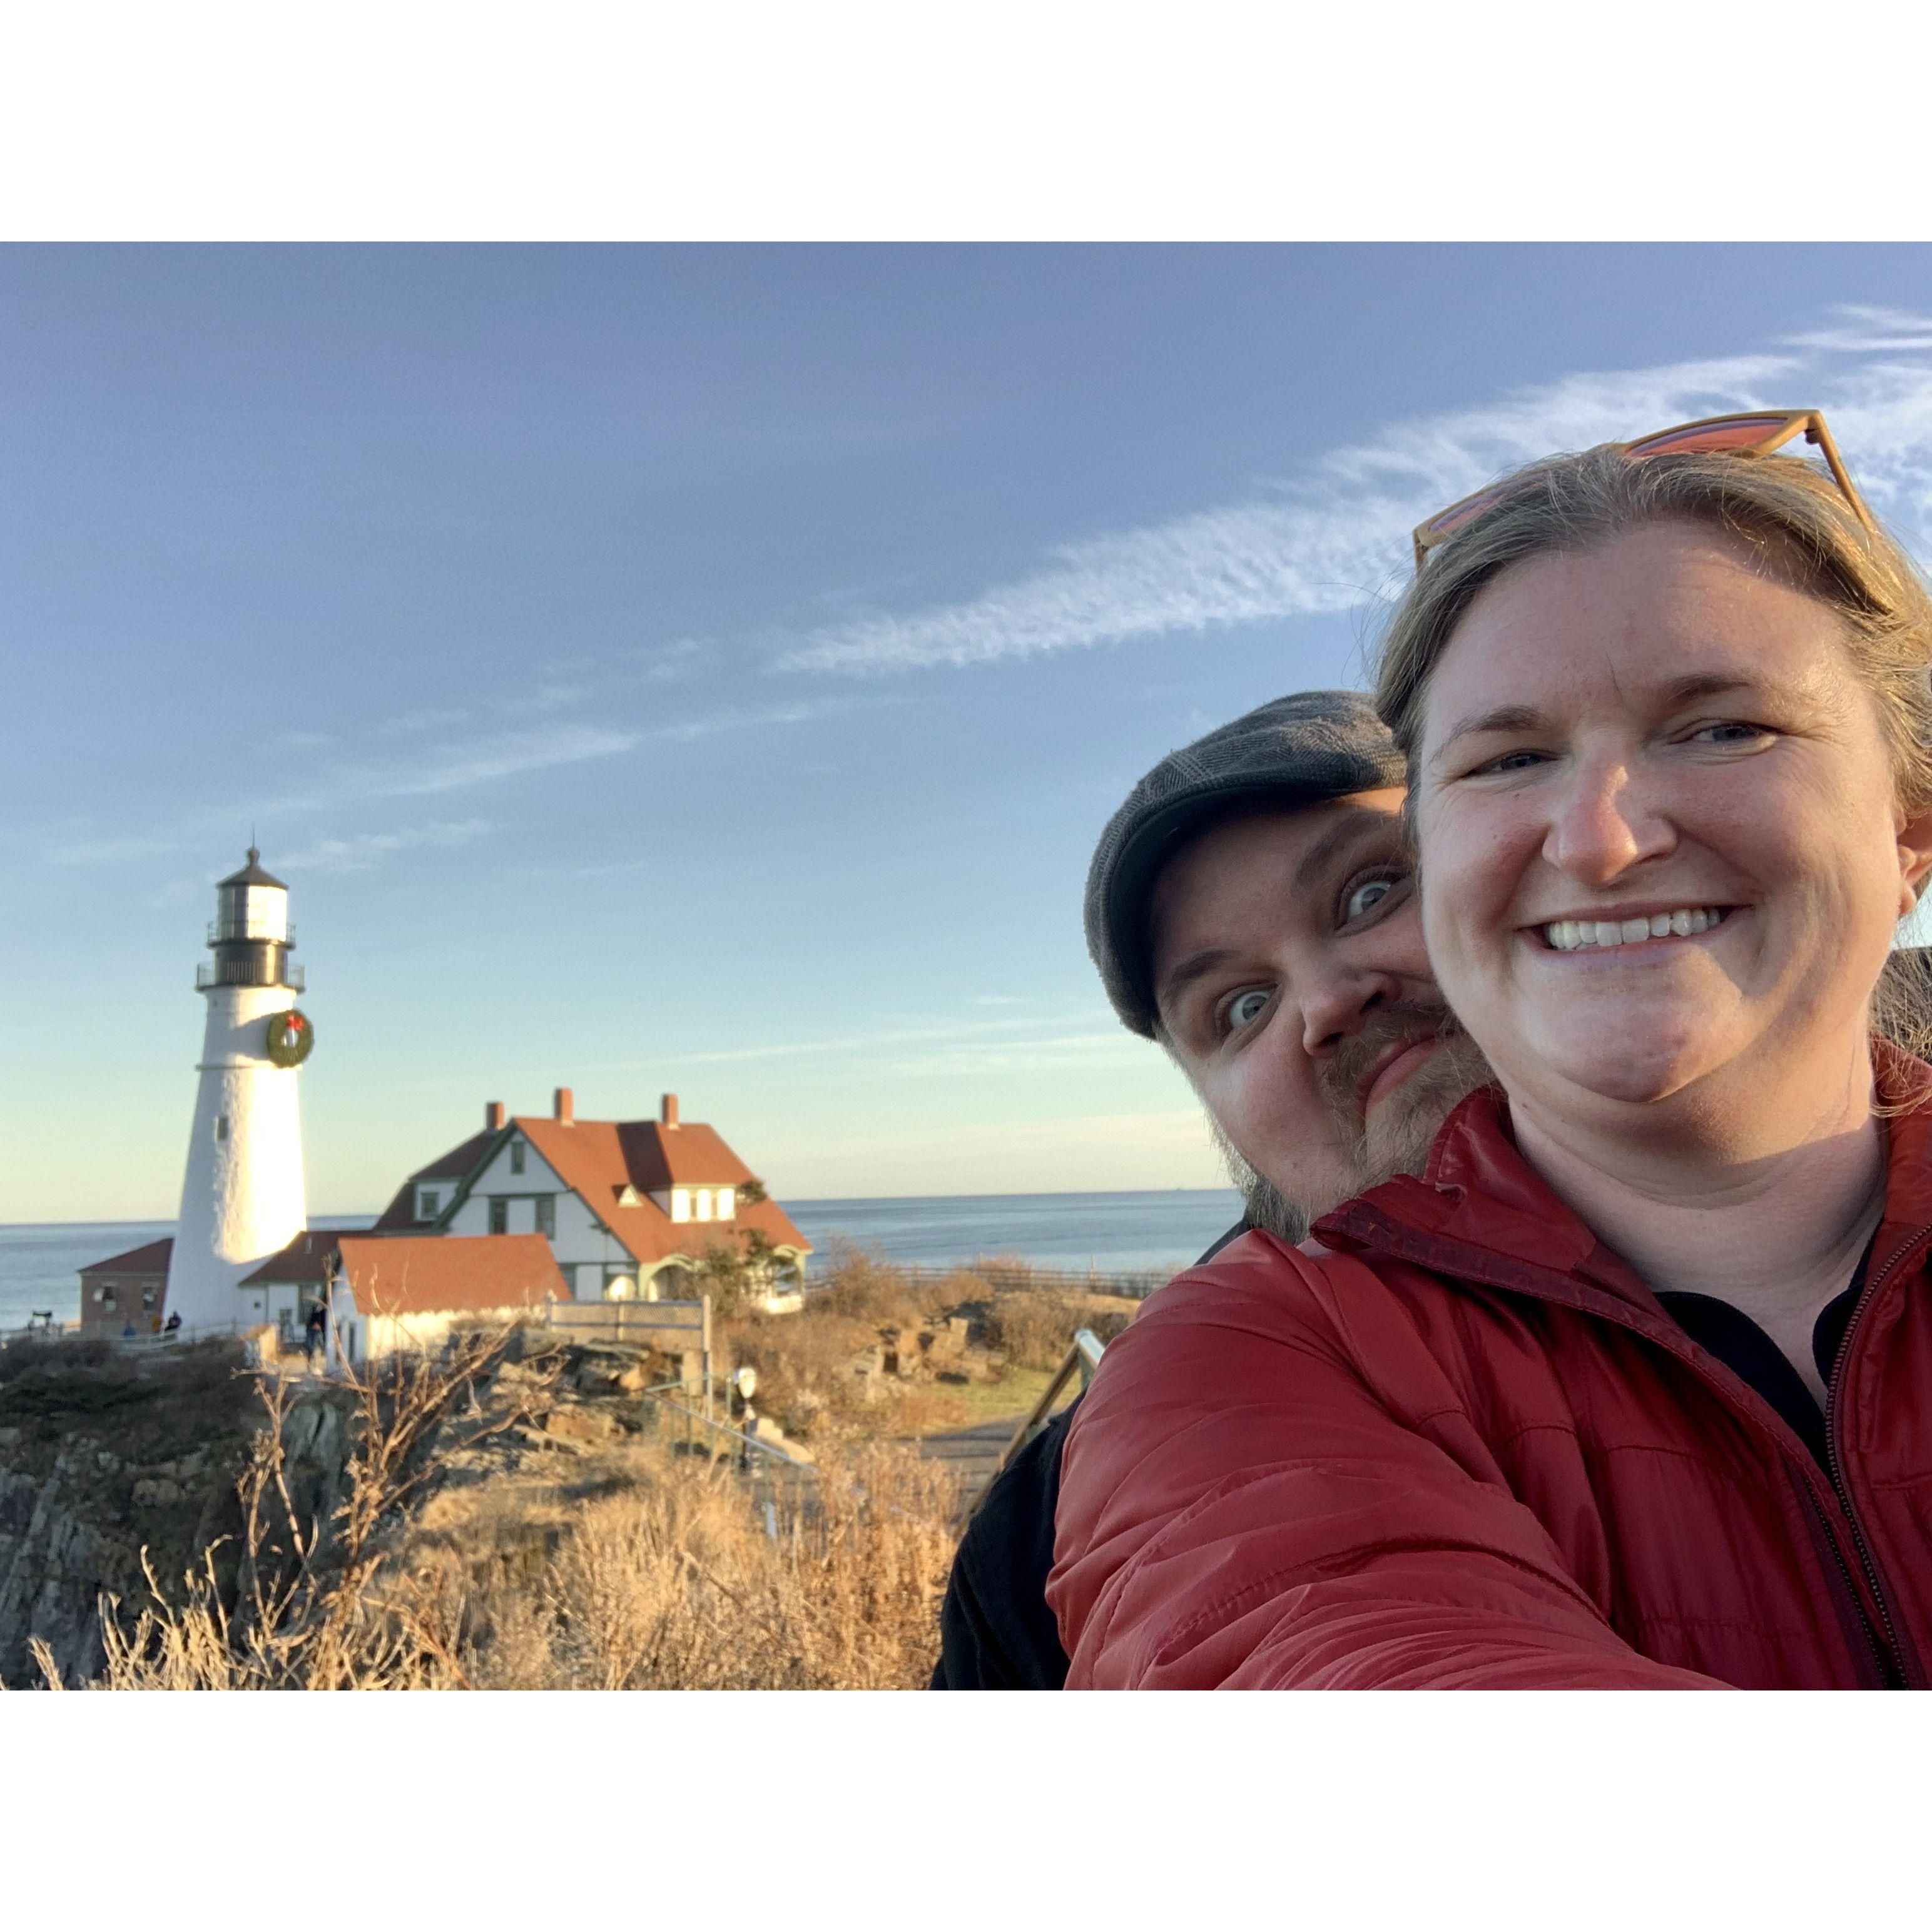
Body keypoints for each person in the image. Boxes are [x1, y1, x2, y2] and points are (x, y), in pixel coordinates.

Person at [1050, 412, 1932, 1689]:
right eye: (1233, 1005)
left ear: (1905, 828)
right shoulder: (1241, 1365)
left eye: (1723, 724)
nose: (1596, 837)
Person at [932, 691, 1488, 1689]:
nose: (1325, 1003)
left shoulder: (1833, 1175)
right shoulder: (1040, 1545)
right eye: (1239, 1005)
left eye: (1370, 893)